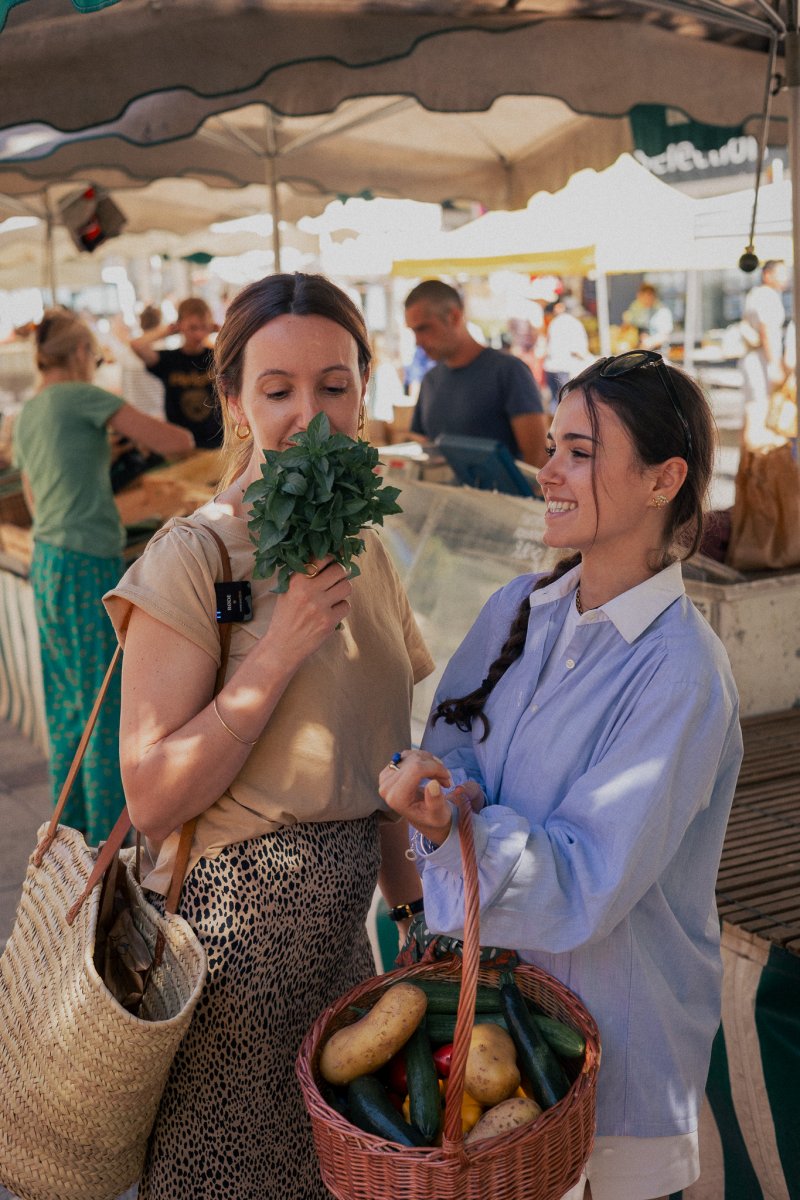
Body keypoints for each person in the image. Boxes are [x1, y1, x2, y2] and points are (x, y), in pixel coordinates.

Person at [379, 350, 743, 1200]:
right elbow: (459, 746)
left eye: (580, 452)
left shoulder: (682, 672)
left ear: (664, 481)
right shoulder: (519, 606)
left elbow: (586, 876)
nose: (548, 471)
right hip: (493, 1039)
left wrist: (453, 828)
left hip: (615, 1050)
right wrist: (442, 790)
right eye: (553, 447)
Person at [103, 272, 434, 1200]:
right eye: (279, 389)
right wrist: (275, 649)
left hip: (342, 951)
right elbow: (151, 796)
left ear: (364, 390)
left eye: (334, 385)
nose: (311, 414)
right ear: (238, 404)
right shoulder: (194, 556)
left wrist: (408, 913)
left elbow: (384, 761)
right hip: (228, 960)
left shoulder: (366, 543)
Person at [11, 308, 194, 844]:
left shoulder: (27, 413)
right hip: (88, 559)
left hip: (47, 560)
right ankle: (107, 854)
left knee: (67, 702)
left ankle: (69, 839)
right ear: (77, 355)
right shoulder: (80, 396)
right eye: (93, 355)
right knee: (105, 702)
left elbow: (30, 494)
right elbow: (176, 442)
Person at [404, 279, 548, 466]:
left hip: (503, 494)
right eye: (413, 331)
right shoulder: (431, 380)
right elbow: (422, 447)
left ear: (454, 317)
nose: (418, 341)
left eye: (424, 328)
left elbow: (537, 458)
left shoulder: (509, 371)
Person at [131, 296, 222, 448]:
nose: (199, 334)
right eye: (193, 327)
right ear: (180, 325)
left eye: (204, 327)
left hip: (217, 440)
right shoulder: (169, 359)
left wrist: (223, 330)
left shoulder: (217, 357)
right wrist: (168, 330)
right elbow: (137, 345)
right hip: (180, 442)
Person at [739, 259, 789, 445]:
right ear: (767, 275)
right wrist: (774, 364)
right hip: (761, 361)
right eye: (781, 274)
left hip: (757, 359)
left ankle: (747, 469)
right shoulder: (766, 295)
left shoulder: (758, 294)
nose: (786, 278)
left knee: (753, 412)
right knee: (758, 412)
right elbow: (765, 330)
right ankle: (756, 469)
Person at [543, 293, 592, 411]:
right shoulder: (573, 324)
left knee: (556, 403)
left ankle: (555, 428)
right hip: (565, 367)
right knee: (567, 403)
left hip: (553, 366)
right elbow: (579, 350)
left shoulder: (555, 323)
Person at [622, 283, 674, 352]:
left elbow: (665, 335)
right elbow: (629, 324)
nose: (645, 300)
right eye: (642, 297)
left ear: (653, 296)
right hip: (638, 347)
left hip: (657, 351)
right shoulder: (636, 306)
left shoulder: (662, 311)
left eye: (648, 296)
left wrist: (650, 341)